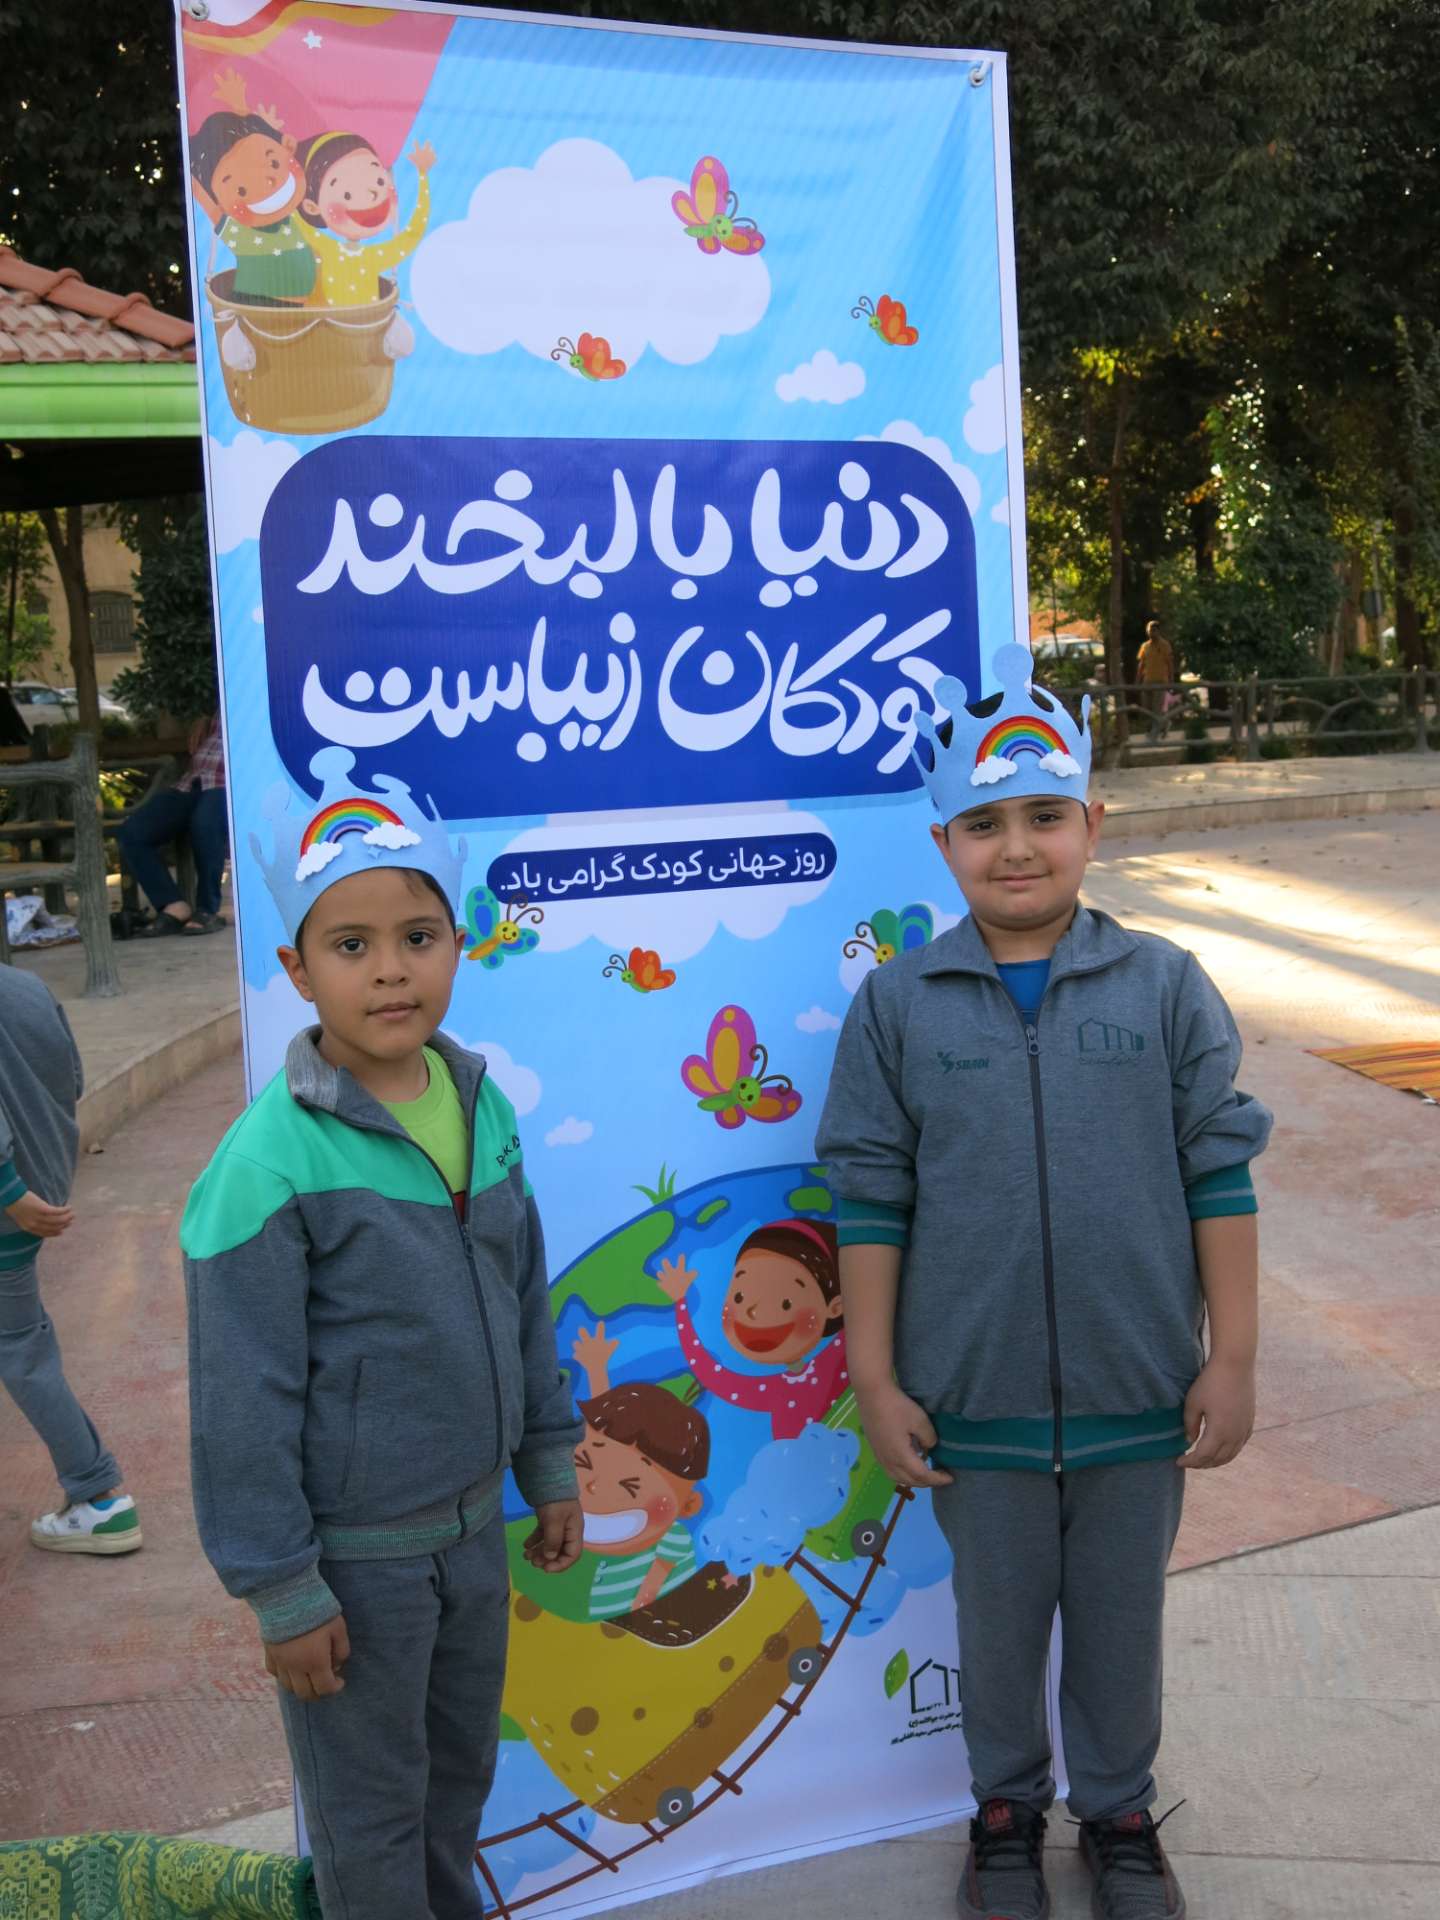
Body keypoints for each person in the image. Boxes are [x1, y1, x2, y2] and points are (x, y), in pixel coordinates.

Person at [817, 642, 1272, 1920]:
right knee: (998, 1627)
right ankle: (1005, 1815)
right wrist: (874, 1377)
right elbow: (872, 1199)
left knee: (1122, 1627)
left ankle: (1118, 1814)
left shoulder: (1165, 985)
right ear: (942, 842)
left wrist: (1233, 1357)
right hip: (976, 1405)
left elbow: (1219, 1173)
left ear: (1093, 824)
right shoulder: (899, 1006)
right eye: (983, 824)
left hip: (1139, 1391)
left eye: (1043, 816)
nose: (1015, 848)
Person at [181, 747, 582, 1920]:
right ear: (296, 969)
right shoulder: (268, 1164)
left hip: (474, 1538)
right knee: (369, 1818)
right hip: (354, 1567)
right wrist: (283, 1589)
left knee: (454, 1791)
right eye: (350, 945)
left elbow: (523, 1296)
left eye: (418, 936)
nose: (392, 970)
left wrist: (548, 1460)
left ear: (460, 942)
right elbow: (240, 1397)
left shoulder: (479, 1103)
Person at [1, 966, 142, 1555]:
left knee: (22, 1352)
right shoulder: (27, 987)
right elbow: (72, 1079)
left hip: (14, 1205)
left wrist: (9, 1191)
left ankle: (97, 1496)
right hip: (39, 1190)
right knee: (23, 1344)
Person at [652, 1220, 849, 1439]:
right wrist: (680, 1302)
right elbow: (709, 1372)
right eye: (739, 1297)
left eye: (785, 1303)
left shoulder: (843, 1353)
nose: (752, 1312)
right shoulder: (776, 1389)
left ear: (835, 1308)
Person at [119, 712, 230, 937]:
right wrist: (206, 719)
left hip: (228, 784)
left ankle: (207, 909)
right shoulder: (219, 706)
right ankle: (173, 904)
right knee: (132, 832)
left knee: (205, 823)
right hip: (192, 782)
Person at [295, 130, 436, 308]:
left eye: (379, 181)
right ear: (311, 207)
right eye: (347, 195)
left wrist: (423, 176)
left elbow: (414, 231)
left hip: (370, 323)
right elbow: (294, 216)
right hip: (329, 323)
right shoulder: (325, 249)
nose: (371, 196)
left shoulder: (374, 256)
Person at [1136, 619, 1176, 719]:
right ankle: (1150, 726)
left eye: (1154, 630)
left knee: (1157, 708)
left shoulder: (1165, 645)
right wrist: (1138, 679)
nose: (1151, 633)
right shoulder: (1145, 646)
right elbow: (1141, 664)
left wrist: (1171, 680)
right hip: (1147, 682)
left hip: (1161, 682)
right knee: (1146, 707)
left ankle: (1158, 726)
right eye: (1150, 630)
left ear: (1158, 631)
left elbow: (1170, 663)